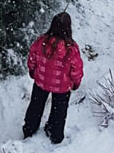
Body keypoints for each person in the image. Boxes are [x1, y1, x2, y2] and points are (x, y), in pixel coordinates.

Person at [23, 12, 84, 144]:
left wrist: (32, 71)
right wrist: (76, 83)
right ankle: (55, 134)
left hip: (41, 81)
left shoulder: (41, 42)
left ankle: (29, 129)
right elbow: (76, 69)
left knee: (35, 105)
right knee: (59, 111)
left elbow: (32, 58)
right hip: (61, 86)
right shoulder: (71, 49)